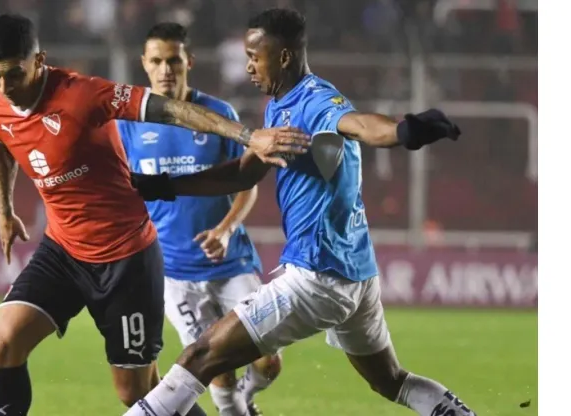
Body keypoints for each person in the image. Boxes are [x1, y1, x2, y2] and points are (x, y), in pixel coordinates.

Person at [124, 8, 474, 416]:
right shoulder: (280, 104)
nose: (249, 67)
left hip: (317, 275)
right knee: (390, 380)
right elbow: (243, 173)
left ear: (285, 56)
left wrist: (403, 131)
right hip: (357, 275)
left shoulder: (315, 101)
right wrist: (167, 186)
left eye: (256, 56)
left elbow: (359, 125)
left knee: (200, 357)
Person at [0, 14, 310, 416]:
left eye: (14, 74)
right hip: (62, 251)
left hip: (127, 260)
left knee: (136, 392)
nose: (4, 87)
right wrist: (4, 208)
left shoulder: (83, 94)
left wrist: (248, 137)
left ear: (39, 60)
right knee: (4, 343)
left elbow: (171, 111)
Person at [116, 23, 281, 416]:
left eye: (173, 60)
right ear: (144, 64)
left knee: (268, 362)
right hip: (174, 273)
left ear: (188, 61)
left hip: (230, 263)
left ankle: (247, 398)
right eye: (156, 61)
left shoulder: (217, 115)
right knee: (217, 368)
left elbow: (248, 182)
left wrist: (225, 230)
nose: (165, 69)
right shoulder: (127, 126)